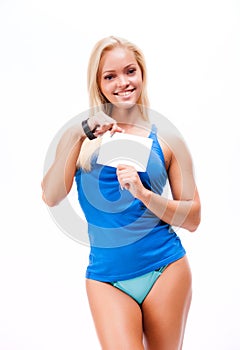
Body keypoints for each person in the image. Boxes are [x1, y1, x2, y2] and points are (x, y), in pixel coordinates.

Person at [41, 36, 201, 350]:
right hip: (106, 278)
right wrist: (80, 132)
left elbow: (194, 217)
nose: (123, 82)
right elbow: (50, 196)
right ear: (98, 83)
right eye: (110, 76)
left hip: (165, 269)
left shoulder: (167, 138)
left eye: (130, 71)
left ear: (142, 74)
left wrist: (144, 194)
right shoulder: (80, 137)